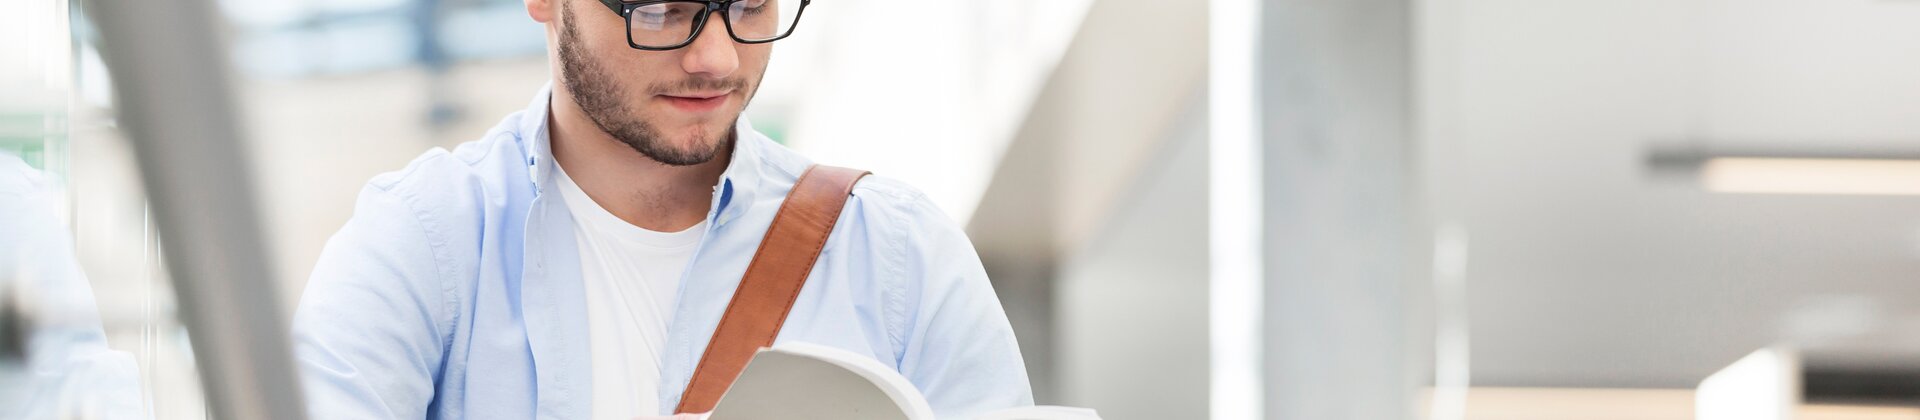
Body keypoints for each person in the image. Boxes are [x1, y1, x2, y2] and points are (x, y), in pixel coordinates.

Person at [288, 0, 1033, 418]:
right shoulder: (422, 242)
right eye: (664, 9)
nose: (715, 58)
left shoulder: (897, 252)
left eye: (749, 5)